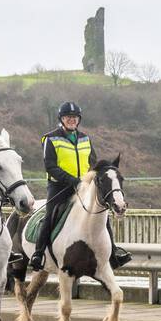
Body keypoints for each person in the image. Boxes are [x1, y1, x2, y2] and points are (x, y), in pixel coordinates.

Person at [29, 101, 132, 271]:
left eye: (75, 117)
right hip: (59, 187)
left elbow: (92, 162)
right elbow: (50, 166)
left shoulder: (85, 138)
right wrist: (72, 180)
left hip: (84, 187)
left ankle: (113, 252)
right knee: (50, 215)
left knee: (102, 212)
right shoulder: (50, 138)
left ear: (79, 120)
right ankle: (38, 254)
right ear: (61, 119)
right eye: (68, 117)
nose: (72, 120)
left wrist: (96, 176)